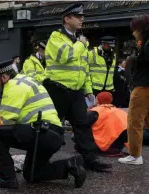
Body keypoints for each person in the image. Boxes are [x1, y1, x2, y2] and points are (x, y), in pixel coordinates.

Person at [0, 59, 86, 189]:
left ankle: (7, 178)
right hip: (53, 135)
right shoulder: (26, 80)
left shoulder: (12, 86)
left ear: (4, 76)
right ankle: (71, 165)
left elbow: (7, 122)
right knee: (31, 174)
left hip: (41, 133)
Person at [42, 3, 111, 171]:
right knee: (51, 126)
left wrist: (87, 90)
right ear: (67, 18)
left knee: (82, 125)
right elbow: (66, 56)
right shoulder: (56, 37)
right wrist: (81, 44)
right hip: (58, 90)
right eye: (78, 16)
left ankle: (90, 160)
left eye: (82, 17)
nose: (82, 19)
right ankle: (39, 159)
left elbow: (84, 69)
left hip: (76, 92)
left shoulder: (79, 41)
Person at [119, 14, 149, 165]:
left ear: (140, 29)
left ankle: (135, 155)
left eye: (134, 29)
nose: (133, 32)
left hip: (143, 89)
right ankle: (135, 155)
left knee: (134, 121)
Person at [74, 92, 149, 156]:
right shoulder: (119, 111)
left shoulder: (96, 110)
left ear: (97, 100)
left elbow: (82, 124)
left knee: (75, 138)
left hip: (105, 142)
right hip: (123, 140)